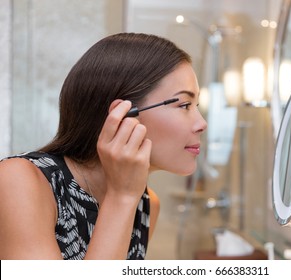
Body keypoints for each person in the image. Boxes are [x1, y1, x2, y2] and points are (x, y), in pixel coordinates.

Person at [0, 33, 207, 260]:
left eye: (196, 105)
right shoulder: (18, 179)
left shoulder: (147, 204)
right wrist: (121, 197)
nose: (202, 124)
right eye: (185, 105)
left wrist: (126, 197)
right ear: (123, 116)